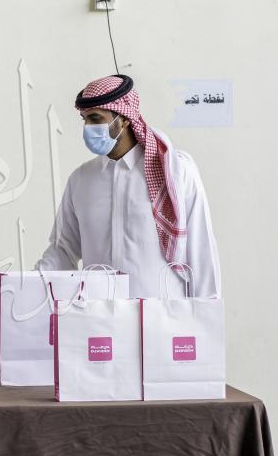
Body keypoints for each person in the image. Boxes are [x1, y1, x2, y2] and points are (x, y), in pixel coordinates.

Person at [37, 74, 220, 298]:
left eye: (95, 118)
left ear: (124, 119)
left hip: (163, 316)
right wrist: (27, 285)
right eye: (84, 119)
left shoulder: (175, 172)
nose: (87, 127)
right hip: (98, 316)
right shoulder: (81, 180)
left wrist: (205, 314)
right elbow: (64, 250)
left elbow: (201, 252)